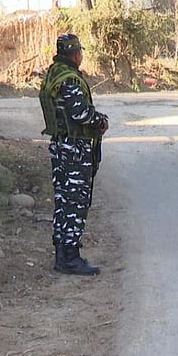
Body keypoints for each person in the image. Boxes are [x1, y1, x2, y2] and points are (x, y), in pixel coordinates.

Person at [39, 33, 109, 275]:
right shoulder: (69, 79)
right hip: (73, 149)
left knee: (63, 201)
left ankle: (62, 254)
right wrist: (99, 120)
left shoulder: (54, 73)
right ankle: (70, 257)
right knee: (75, 203)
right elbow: (80, 114)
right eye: (80, 52)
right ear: (75, 54)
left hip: (61, 146)